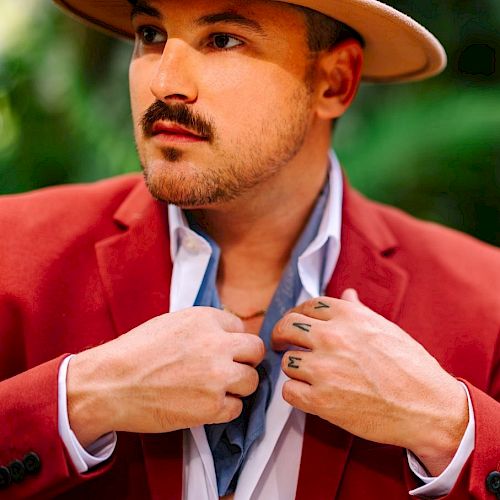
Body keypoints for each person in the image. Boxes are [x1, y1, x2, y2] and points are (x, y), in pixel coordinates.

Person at [0, 0, 498, 498]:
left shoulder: (485, 299)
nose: (164, 81)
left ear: (335, 81)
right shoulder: (12, 248)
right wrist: (79, 400)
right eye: (151, 34)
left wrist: (450, 428)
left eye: (222, 40)